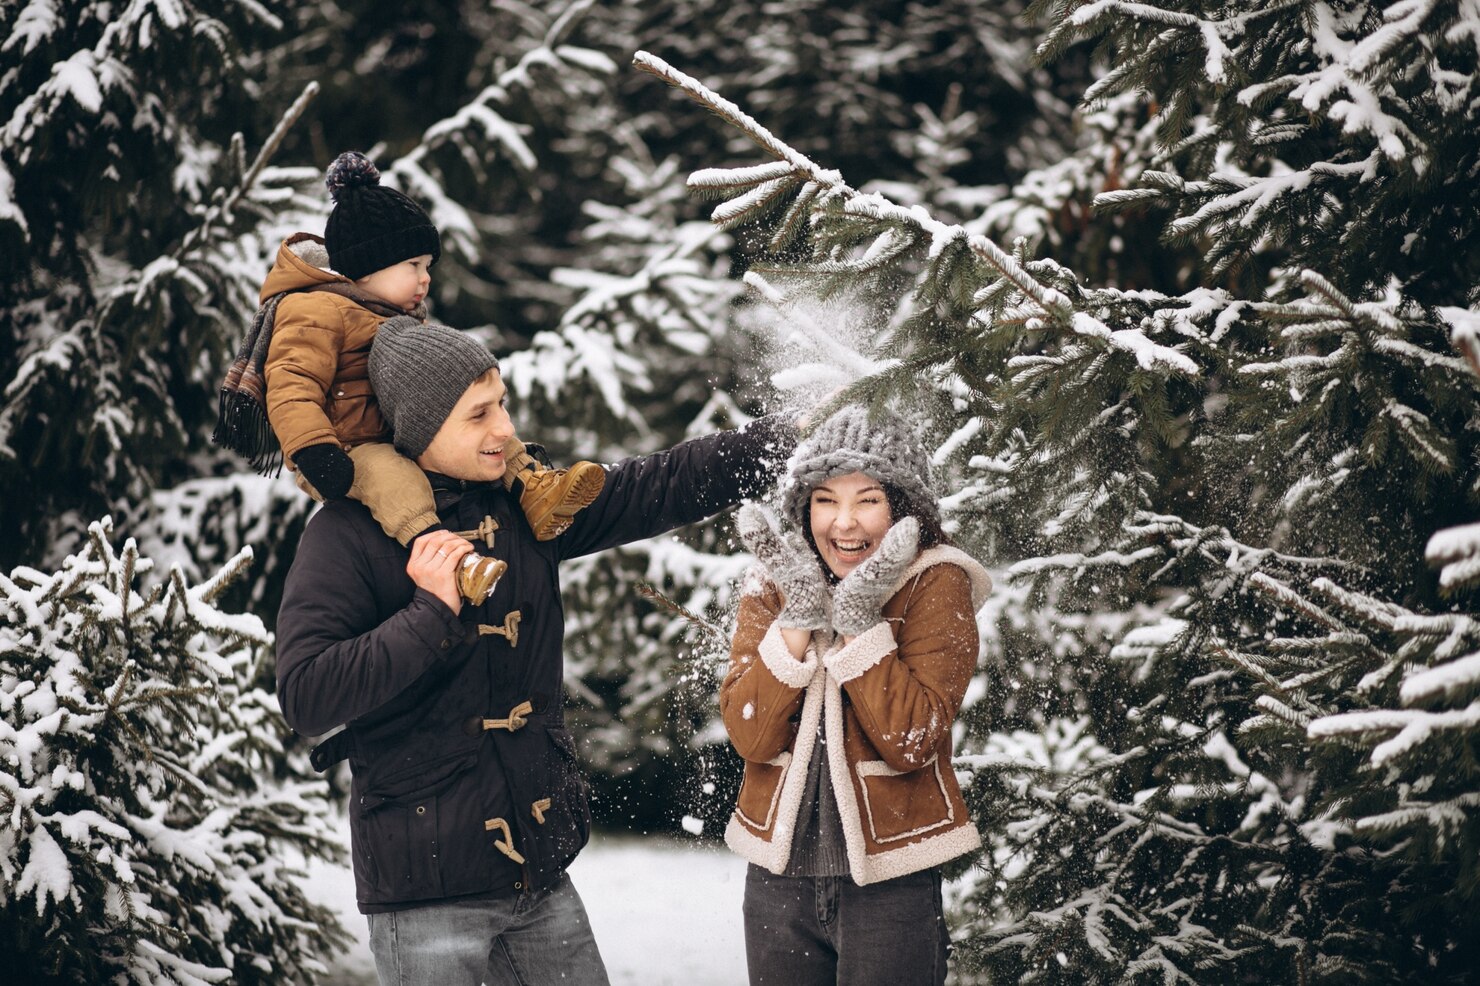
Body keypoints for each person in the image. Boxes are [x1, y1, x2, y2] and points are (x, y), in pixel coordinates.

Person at [274, 316, 797, 985]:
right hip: (426, 892)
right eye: (479, 415)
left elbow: (655, 485)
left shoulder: (528, 505)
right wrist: (430, 611)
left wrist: (783, 442)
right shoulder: (345, 534)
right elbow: (308, 693)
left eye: (504, 404)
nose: (506, 430)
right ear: (420, 427)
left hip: (538, 876)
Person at [218, 150, 603, 607]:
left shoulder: (391, 314)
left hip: (397, 429)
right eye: (413, 266)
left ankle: (534, 490)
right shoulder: (314, 309)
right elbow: (292, 386)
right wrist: (315, 449)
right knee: (395, 478)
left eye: (428, 268)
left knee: (486, 424)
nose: (425, 280)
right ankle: (449, 558)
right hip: (345, 449)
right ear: (369, 265)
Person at [720, 405, 992, 986]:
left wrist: (859, 622)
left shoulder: (936, 582)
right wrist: (797, 614)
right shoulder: (777, 582)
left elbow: (911, 740)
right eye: (825, 499)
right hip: (777, 882)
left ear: (902, 506)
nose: (844, 523)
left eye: (867, 499)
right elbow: (750, 734)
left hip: (890, 887)